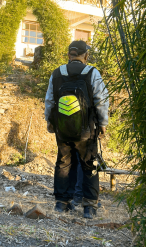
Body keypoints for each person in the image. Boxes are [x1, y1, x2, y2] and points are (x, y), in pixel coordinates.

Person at [44, 40, 109, 219]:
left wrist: (49, 121)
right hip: (86, 130)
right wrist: (103, 123)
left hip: (62, 129)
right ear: (85, 56)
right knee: (89, 165)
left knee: (63, 163)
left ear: (69, 55)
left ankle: (61, 203)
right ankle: (89, 207)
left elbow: (49, 100)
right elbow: (101, 100)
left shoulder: (57, 73)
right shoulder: (92, 73)